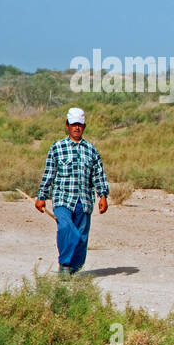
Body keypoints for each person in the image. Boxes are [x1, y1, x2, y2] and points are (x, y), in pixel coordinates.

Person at [35, 107, 109, 275]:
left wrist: (103, 196)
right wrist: (41, 197)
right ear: (67, 126)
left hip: (84, 201)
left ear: (84, 126)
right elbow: (49, 174)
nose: (77, 128)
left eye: (80, 125)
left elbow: (98, 174)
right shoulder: (57, 148)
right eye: (74, 124)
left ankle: (73, 271)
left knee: (81, 239)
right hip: (63, 199)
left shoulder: (91, 150)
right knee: (66, 228)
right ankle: (65, 265)